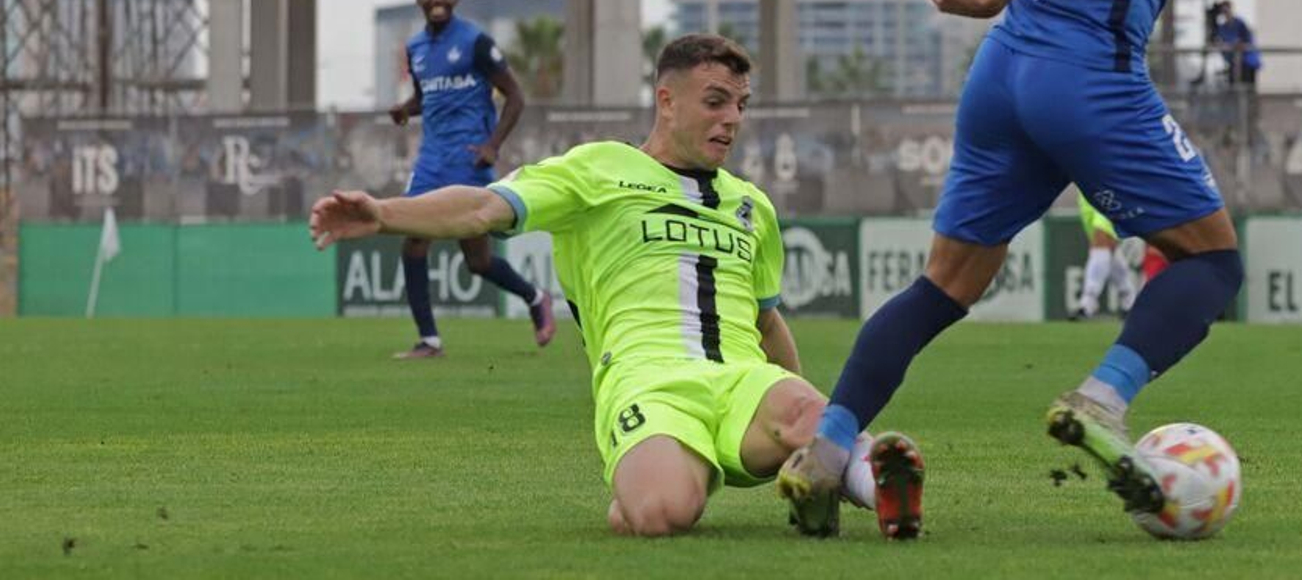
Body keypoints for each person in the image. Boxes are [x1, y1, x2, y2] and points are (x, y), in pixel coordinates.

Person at [779, 0, 1302, 530]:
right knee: (1211, 262)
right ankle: (1101, 401)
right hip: (1082, 72)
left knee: (944, 285)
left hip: (1006, 69)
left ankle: (825, 450)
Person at [311, 34, 925, 538]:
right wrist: (386, 213)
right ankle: (648, 489)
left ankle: (875, 484)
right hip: (647, 382)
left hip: (742, 382)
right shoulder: (595, 170)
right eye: (715, 101)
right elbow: (480, 209)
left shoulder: (751, 207)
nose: (732, 119)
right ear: (667, 100)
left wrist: (806, 406)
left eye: (740, 104)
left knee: (814, 414)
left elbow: (766, 322)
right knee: (663, 514)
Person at [387, 0, 554, 358]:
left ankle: (534, 296)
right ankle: (429, 340)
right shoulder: (415, 48)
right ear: (420, 0)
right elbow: (426, 97)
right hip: (430, 160)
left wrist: (493, 145)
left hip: (468, 159)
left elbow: (515, 96)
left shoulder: (475, 42)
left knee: (477, 261)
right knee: (413, 241)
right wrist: (406, 109)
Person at [1071, 192, 1139, 320]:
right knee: (1108, 249)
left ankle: (1088, 302)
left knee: (1101, 240)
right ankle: (1129, 300)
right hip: (1085, 194)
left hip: (1108, 188)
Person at [1212, 0, 1261, 88]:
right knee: (1233, 88)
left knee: (1248, 88)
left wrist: (1236, 45)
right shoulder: (1223, 28)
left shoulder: (1240, 23)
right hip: (1233, 64)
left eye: (1227, 10)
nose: (1226, 13)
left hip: (1247, 63)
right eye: (1223, 11)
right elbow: (1219, 43)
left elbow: (1246, 41)